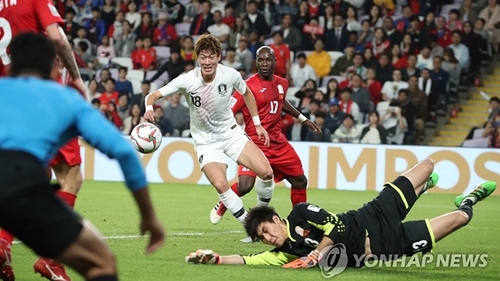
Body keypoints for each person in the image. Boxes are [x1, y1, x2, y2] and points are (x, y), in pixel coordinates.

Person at [0, 32, 164, 281]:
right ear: (54, 71)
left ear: (10, 69)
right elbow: (124, 153)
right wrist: (149, 217)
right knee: (102, 263)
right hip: (21, 184)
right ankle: (47, 261)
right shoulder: (65, 99)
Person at [186, 159, 497, 268]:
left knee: (428, 164)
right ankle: (468, 198)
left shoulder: (302, 212)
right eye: (263, 238)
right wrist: (214, 258)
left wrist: (316, 255)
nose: (269, 237)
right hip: (385, 244)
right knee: (461, 218)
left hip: (373, 211)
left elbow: (334, 226)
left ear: (278, 220)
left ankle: (423, 185)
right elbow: (246, 260)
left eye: (268, 229)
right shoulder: (283, 253)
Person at [144, 34, 274, 226]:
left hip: (231, 134)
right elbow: (152, 95)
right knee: (222, 185)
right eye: (203, 57)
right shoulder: (187, 80)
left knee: (267, 173)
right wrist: (149, 108)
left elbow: (246, 93)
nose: (207, 62)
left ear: (218, 57)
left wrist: (257, 123)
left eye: (211, 57)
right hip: (206, 143)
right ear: (197, 58)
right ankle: (253, 226)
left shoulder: (230, 75)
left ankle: (263, 214)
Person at [0, 2, 87, 279]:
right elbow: (56, 36)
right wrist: (74, 75)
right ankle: (51, 259)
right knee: (71, 176)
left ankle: (2, 244)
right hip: (43, 97)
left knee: (32, 173)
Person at [209, 46, 321, 232]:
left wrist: (303, 118)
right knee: (245, 186)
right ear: (256, 62)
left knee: (300, 181)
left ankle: (298, 224)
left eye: (268, 60)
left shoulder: (282, 83)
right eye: (260, 60)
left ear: (274, 61)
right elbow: (229, 110)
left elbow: (280, 101)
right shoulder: (247, 86)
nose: (264, 63)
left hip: (277, 142)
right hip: (253, 143)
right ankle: (223, 203)